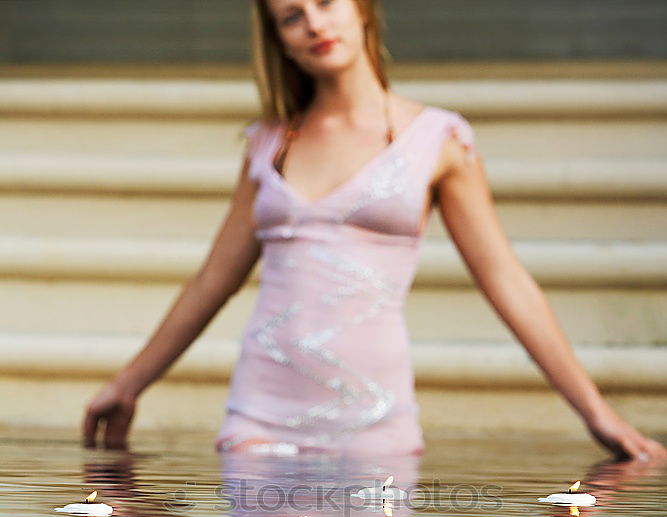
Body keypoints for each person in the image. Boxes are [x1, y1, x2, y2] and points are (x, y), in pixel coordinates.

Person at [82, 0, 665, 461]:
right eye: (291, 15)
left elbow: (505, 281)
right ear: (278, 39)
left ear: (362, 7)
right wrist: (129, 384)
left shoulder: (440, 141)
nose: (314, 22)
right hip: (258, 422)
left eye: (326, 2)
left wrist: (596, 412)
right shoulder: (268, 144)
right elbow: (213, 280)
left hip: (374, 428)